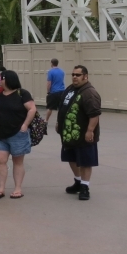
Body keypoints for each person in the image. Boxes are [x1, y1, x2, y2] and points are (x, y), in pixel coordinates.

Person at [56, 64, 102, 201]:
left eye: (78, 75)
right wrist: (60, 123)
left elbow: (94, 114)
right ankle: (77, 181)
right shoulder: (70, 89)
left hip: (83, 135)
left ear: (85, 76)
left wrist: (89, 131)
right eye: (73, 75)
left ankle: (85, 187)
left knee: (85, 161)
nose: (74, 77)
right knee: (71, 158)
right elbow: (63, 107)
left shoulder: (89, 93)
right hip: (69, 134)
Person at [0, 70, 36, 199]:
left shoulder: (22, 94)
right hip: (1, 133)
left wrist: (25, 125)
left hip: (17, 133)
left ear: (8, 79)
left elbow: (32, 109)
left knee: (17, 161)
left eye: (1, 78)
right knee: (0, 160)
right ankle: (1, 188)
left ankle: (17, 189)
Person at [44, 58, 66, 125]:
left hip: (53, 91)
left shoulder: (50, 72)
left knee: (50, 107)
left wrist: (48, 91)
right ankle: (59, 121)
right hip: (62, 91)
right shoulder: (62, 71)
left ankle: (46, 120)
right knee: (60, 107)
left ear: (51, 63)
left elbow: (49, 83)